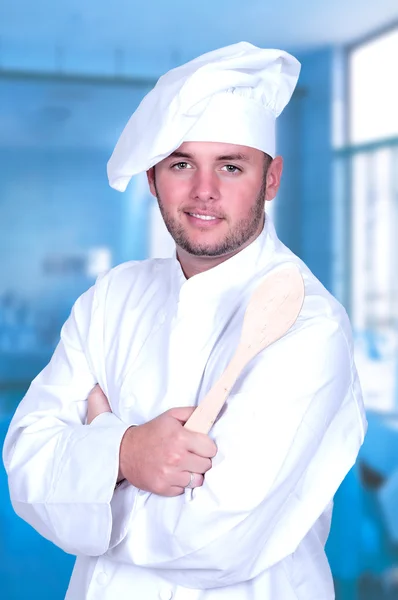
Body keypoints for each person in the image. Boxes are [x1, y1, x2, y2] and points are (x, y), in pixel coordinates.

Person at [3, 42, 366, 600]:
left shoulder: (309, 326)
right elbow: (25, 466)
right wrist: (127, 452)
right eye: (181, 164)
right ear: (153, 179)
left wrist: (93, 456)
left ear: (271, 179)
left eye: (231, 165)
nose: (204, 191)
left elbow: (215, 542)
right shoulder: (111, 296)